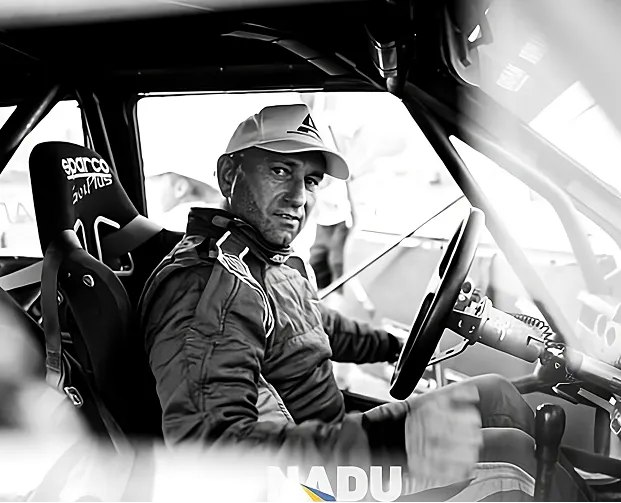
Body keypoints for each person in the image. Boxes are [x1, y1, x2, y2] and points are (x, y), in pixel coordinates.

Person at [139, 104, 591, 500]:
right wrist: (382, 443)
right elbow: (215, 451)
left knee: (495, 394)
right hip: (311, 482)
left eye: (310, 180)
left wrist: (397, 345)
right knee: (515, 456)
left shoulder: (267, 260)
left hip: (334, 440)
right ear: (228, 175)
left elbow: (317, 326)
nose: (299, 197)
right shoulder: (205, 286)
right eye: (279, 171)